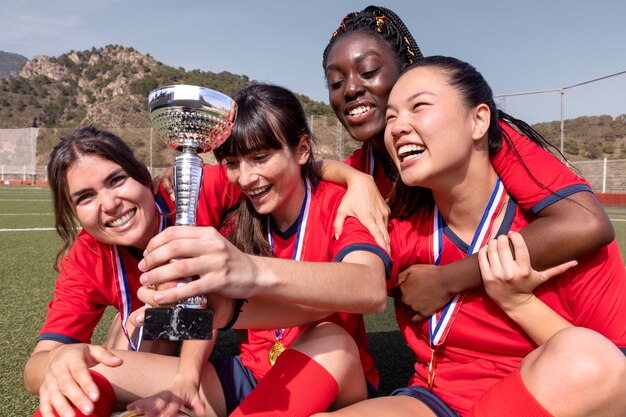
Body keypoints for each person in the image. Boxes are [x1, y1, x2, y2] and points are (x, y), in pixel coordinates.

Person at [312, 55, 626, 417]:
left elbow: (609, 373)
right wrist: (241, 290)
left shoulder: (565, 236)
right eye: (392, 117)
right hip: (432, 402)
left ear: (478, 120)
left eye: (419, 107)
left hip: (543, 400)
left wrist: (519, 303)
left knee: (587, 359)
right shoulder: (401, 229)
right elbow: (339, 282)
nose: (397, 127)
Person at [321, 5, 615, 322]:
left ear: (407, 71)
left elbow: (586, 223)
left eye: (367, 72)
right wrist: (352, 177)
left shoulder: (482, 138)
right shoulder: (360, 169)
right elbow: (298, 168)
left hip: (558, 328)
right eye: (336, 83)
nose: (350, 89)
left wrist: (447, 280)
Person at [131, 83, 390, 417]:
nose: (246, 177)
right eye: (233, 163)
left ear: (302, 150)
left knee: (333, 338)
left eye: (260, 158)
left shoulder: (341, 205)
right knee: (99, 373)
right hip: (253, 373)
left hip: (330, 374)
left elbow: (370, 288)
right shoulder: (237, 218)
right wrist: (185, 378)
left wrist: (250, 271)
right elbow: (209, 306)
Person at [23, 125, 220, 417]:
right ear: (73, 211)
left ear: (143, 175)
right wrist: (57, 360)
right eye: (85, 197)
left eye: (116, 180)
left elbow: (270, 171)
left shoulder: (193, 190)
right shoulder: (87, 255)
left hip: (232, 320)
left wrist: (315, 167)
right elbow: (34, 369)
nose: (110, 204)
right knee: (108, 351)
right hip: (155, 320)